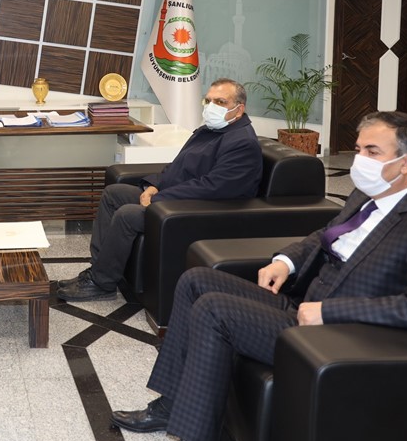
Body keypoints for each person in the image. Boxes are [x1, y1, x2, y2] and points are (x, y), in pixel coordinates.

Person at [111, 111, 407, 441]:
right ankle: (173, 403)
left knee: (214, 309)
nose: (360, 160)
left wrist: (329, 313)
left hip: (339, 334)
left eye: (372, 152)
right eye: (359, 149)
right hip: (302, 304)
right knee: (195, 280)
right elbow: (326, 234)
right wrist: (286, 261)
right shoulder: (367, 194)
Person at [58, 78, 262, 301]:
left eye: (220, 102)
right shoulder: (209, 130)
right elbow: (178, 166)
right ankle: (98, 272)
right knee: (113, 194)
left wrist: (159, 199)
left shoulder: (242, 143)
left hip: (201, 211)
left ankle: (101, 284)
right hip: (176, 198)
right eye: (208, 100)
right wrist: (153, 186)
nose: (211, 107)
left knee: (127, 214)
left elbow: (213, 188)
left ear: (239, 109)